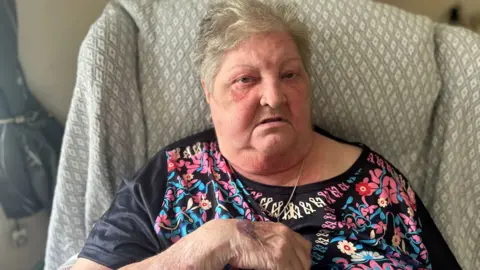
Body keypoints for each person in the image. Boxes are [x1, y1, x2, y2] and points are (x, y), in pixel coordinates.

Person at [72, 0, 460, 269]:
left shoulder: (380, 187)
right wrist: (211, 246)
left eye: (289, 74)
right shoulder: (170, 179)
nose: (274, 97)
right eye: (246, 80)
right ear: (210, 93)